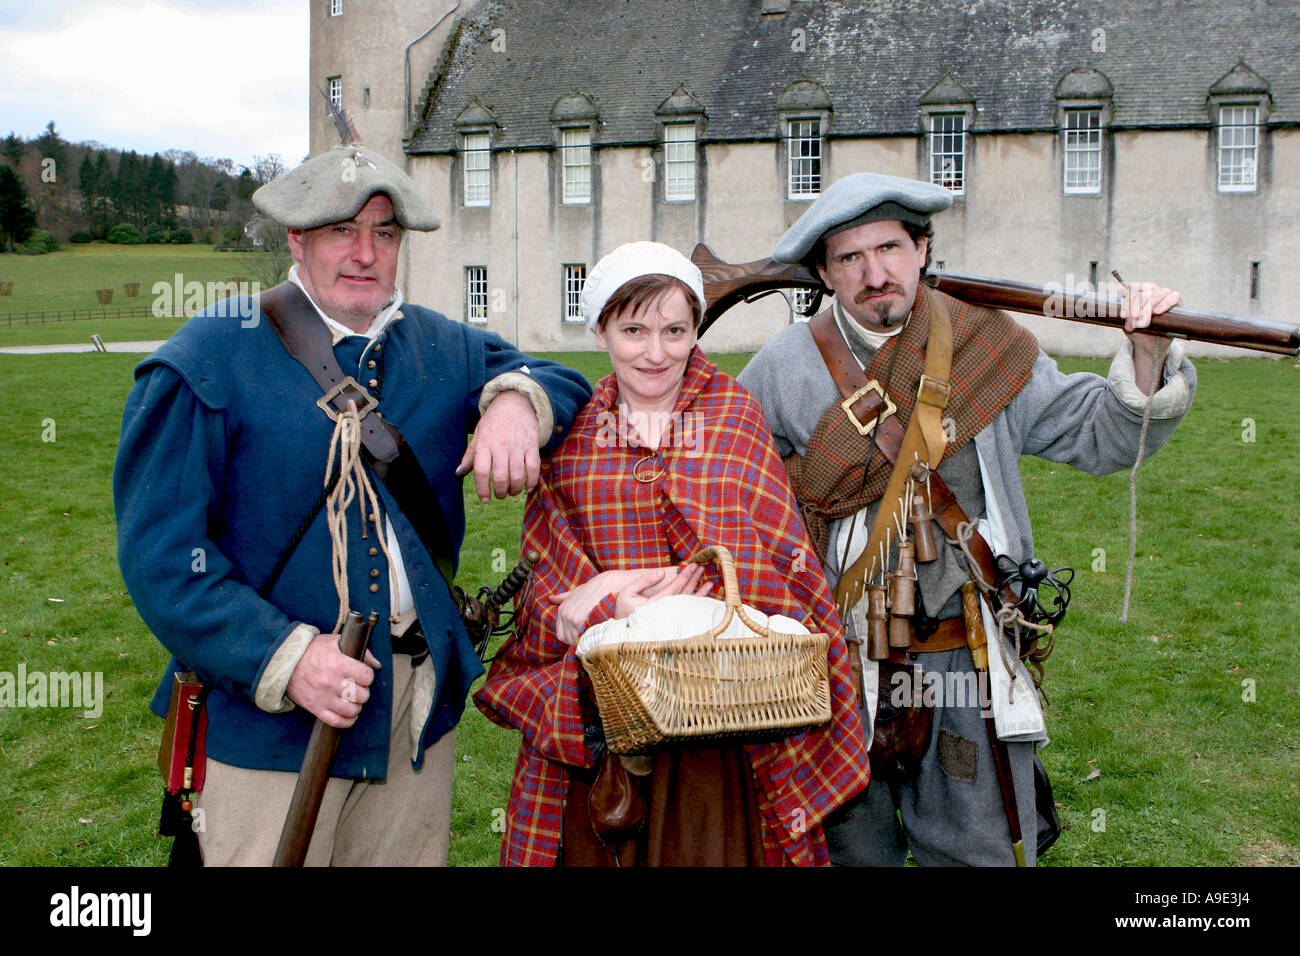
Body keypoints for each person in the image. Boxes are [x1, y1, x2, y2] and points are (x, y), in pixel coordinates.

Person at [114, 142, 592, 866]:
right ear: (296, 239)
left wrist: (514, 406)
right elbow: (162, 560)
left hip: (410, 709)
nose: (365, 253)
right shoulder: (208, 357)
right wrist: (285, 656)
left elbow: (559, 378)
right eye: (343, 231)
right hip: (267, 719)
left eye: (385, 234)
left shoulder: (444, 347)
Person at [737, 172, 1196, 866]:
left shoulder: (986, 345)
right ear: (825, 275)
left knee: (978, 854)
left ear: (922, 247)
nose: (875, 273)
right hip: (835, 655)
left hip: (969, 654)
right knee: (847, 855)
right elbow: (729, 488)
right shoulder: (781, 367)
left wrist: (1146, 353)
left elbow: (1099, 436)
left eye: (889, 247)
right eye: (850, 258)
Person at [474, 241, 869, 866]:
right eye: (633, 330)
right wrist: (602, 608)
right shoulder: (574, 433)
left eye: (674, 330)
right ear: (601, 327)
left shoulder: (735, 417)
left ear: (694, 330)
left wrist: (620, 592)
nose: (655, 353)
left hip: (723, 728)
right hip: (602, 725)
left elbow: (776, 572)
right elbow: (545, 599)